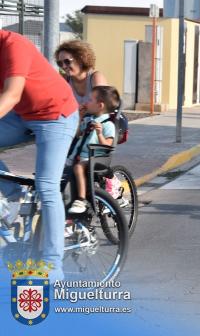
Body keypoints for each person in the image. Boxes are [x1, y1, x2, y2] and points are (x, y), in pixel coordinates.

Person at [0, 30, 79, 281]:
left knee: (47, 187)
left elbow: (11, 95)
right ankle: (14, 195)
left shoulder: (14, 45)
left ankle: (52, 265)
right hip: (23, 115)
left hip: (56, 115)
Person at [67, 86, 120, 214]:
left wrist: (100, 134)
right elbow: (78, 134)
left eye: (90, 100)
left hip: (95, 158)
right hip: (81, 155)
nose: (86, 102)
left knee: (78, 167)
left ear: (100, 105)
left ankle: (81, 199)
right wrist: (79, 117)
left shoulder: (108, 125)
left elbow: (108, 146)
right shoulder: (88, 120)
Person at [55, 40, 108, 116]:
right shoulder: (64, 80)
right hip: (77, 124)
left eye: (67, 61)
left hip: (97, 124)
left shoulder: (96, 77)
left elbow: (103, 108)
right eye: (60, 63)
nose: (63, 66)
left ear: (80, 59)